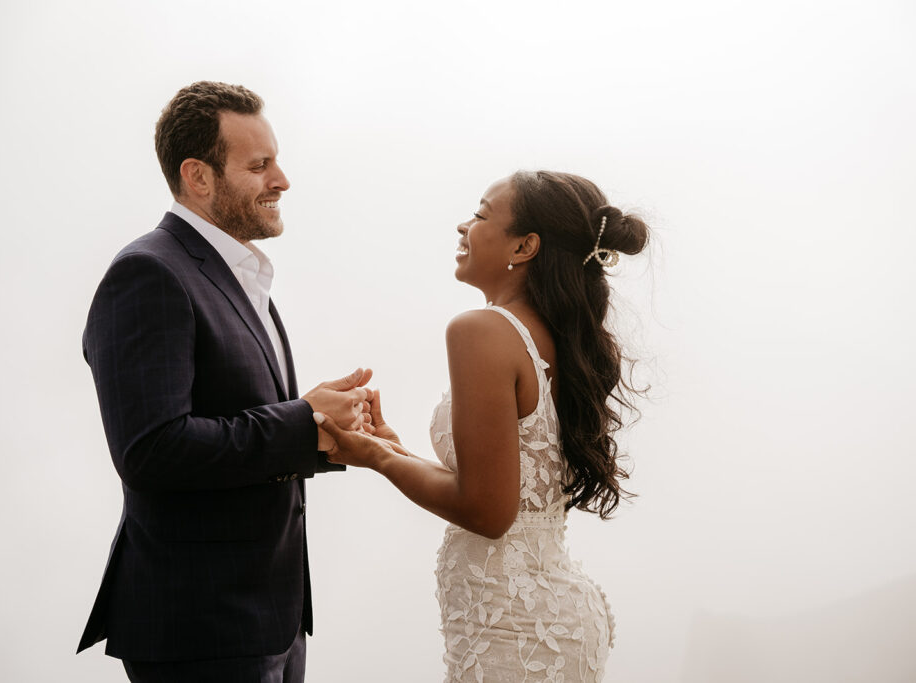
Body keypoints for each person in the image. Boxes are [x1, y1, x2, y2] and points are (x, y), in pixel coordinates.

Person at [76, 81, 371, 683]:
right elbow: (152, 450)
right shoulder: (148, 273)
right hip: (202, 630)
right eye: (259, 165)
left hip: (272, 619)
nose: (282, 180)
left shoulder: (240, 275)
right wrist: (302, 422)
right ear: (199, 176)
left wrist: (327, 429)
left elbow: (243, 426)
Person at [316, 170, 649, 682]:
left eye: (479, 214)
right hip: (543, 619)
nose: (462, 225)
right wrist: (394, 449)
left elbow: (488, 512)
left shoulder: (482, 330)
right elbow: (502, 488)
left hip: (514, 632)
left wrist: (375, 458)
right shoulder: (556, 336)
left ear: (525, 245)